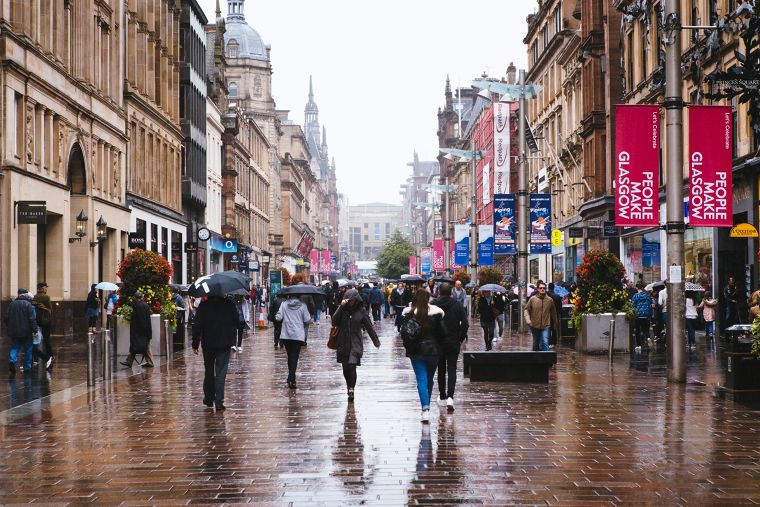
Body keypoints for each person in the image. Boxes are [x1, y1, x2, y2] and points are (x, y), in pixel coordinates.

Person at [402, 290, 446, 423]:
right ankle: (427, 406)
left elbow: (403, 333)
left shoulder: (409, 314)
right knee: (429, 379)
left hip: (416, 352)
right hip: (433, 352)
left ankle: (425, 409)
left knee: (421, 379)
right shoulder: (436, 314)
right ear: (428, 299)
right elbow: (443, 333)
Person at [192, 294, 240, 411]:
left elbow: (197, 326)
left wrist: (195, 343)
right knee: (221, 372)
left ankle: (208, 398)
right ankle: (219, 401)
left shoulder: (203, 306)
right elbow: (238, 322)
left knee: (208, 371)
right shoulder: (229, 305)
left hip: (208, 343)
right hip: (224, 343)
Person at [331, 289, 380, 401]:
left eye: (352, 300)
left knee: (352, 366)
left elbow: (369, 327)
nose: (351, 302)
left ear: (357, 300)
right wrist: (340, 307)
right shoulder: (342, 310)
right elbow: (334, 321)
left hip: (355, 342)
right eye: (348, 300)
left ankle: (352, 389)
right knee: (345, 368)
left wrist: (376, 341)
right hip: (342, 342)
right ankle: (348, 385)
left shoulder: (361, 311)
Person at [432, 283, 468, 412]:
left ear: (439, 292)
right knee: (452, 369)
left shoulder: (433, 305)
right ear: (451, 292)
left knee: (441, 369)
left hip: (438, 342)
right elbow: (465, 323)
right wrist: (460, 338)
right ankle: (450, 397)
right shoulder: (457, 305)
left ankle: (442, 395)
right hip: (453, 341)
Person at [276, 295, 312, 389]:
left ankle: (290, 377)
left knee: (290, 356)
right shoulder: (303, 305)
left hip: (286, 335)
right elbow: (307, 320)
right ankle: (292, 378)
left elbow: (278, 318)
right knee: (294, 356)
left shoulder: (284, 304)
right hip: (298, 335)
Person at [5, 289, 38, 376]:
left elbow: (6, 318)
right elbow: (32, 319)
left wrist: (10, 326)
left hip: (15, 331)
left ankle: (12, 361)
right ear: (26, 295)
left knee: (15, 347)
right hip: (26, 331)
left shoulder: (12, 304)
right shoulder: (28, 305)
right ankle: (27, 367)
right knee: (28, 349)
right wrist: (35, 330)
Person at [120, 291, 154, 368]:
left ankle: (149, 362)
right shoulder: (145, 305)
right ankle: (129, 361)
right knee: (140, 346)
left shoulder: (138, 306)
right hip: (146, 331)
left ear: (135, 298)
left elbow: (139, 320)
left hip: (140, 331)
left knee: (141, 346)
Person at [524, 281, 558, 352]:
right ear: (538, 289)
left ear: (546, 289)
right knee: (536, 344)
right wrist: (528, 320)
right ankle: (535, 359)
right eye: (541, 288)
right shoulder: (533, 299)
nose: (542, 289)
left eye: (544, 288)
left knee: (545, 342)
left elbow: (553, 312)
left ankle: (546, 361)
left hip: (546, 325)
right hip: (534, 325)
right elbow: (526, 309)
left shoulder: (549, 300)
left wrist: (555, 323)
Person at [32, 282, 54, 358]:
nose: (46, 289)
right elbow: (50, 309)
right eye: (46, 287)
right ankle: (50, 355)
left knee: (36, 340)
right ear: (42, 288)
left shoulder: (34, 297)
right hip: (46, 321)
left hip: (37, 320)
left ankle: (35, 357)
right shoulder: (46, 297)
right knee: (46, 339)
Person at [631, 282, 654, 352]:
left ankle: (639, 346)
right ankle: (648, 338)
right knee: (646, 329)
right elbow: (650, 305)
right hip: (646, 315)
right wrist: (650, 315)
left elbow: (633, 305)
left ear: (637, 288)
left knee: (637, 331)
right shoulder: (647, 295)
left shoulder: (635, 296)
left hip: (638, 315)